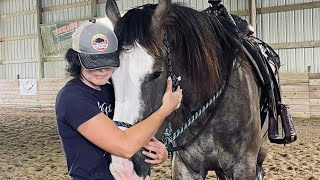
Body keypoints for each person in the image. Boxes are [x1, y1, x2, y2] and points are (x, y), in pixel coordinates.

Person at [55, 21, 183, 179]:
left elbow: (137, 128)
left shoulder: (114, 90)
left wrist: (160, 151)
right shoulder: (72, 98)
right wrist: (165, 110)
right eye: (93, 64)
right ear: (76, 61)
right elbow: (125, 146)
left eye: (108, 63)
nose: (102, 70)